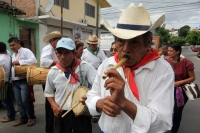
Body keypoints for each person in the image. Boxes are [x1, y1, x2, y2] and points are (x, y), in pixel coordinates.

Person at [85, 3, 174, 133]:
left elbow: (162, 122)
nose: (126, 49)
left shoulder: (162, 70)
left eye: (134, 42)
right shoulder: (107, 64)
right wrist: (100, 103)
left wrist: (123, 102)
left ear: (148, 42)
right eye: (121, 41)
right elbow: (92, 94)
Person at [44, 38, 96, 133]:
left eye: (67, 52)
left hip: (81, 113)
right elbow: (48, 92)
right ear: (56, 54)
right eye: (60, 52)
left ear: (74, 53)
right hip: (61, 112)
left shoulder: (85, 66)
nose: (63, 57)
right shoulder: (53, 71)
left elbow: (97, 86)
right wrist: (53, 105)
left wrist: (90, 96)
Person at [8, 37, 37, 127]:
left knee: (25, 100)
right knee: (19, 102)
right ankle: (23, 118)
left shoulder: (25, 51)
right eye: (10, 45)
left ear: (18, 44)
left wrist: (20, 62)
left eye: (13, 45)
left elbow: (34, 60)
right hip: (15, 81)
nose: (11, 47)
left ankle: (32, 117)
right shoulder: (13, 55)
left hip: (24, 80)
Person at [167, 43, 195, 133]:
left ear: (178, 51)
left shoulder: (187, 62)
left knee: (177, 111)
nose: (168, 52)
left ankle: (174, 130)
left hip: (181, 91)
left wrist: (180, 82)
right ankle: (165, 127)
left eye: (171, 51)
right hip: (169, 89)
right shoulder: (167, 62)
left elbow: (192, 78)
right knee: (166, 109)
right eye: (168, 50)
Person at [40, 31, 63, 133]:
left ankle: (55, 127)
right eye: (58, 40)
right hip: (49, 79)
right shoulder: (48, 48)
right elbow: (44, 62)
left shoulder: (54, 49)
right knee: (51, 105)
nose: (59, 42)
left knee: (56, 102)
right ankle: (50, 129)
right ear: (52, 41)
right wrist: (59, 62)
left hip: (54, 78)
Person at [0, 42, 15, 123]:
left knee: (5, 100)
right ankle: (12, 113)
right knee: (8, 99)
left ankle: (11, 116)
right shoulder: (9, 55)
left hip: (3, 83)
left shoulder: (1, 59)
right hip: (9, 81)